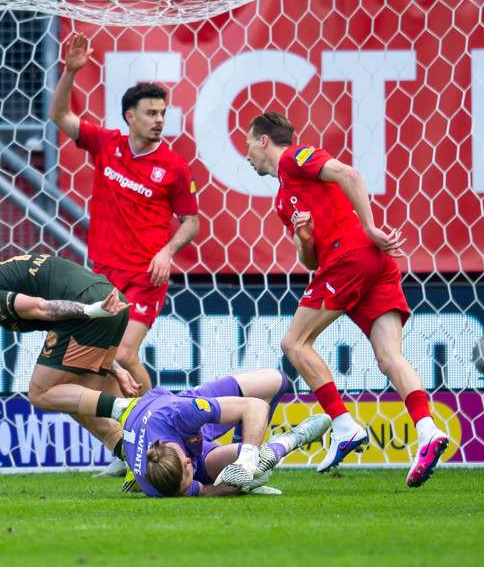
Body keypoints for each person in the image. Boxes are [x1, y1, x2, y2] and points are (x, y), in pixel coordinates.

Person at [243, 111, 449, 487]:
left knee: (294, 343)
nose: (247, 157)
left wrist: (370, 227)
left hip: (351, 256)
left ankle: (344, 425)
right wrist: (304, 239)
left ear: (263, 142)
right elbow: (310, 262)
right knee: (390, 357)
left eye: (248, 146)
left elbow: (349, 174)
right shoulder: (282, 200)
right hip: (368, 264)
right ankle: (428, 430)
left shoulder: (295, 158)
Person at [49, 34, 200, 400]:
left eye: (162, 113)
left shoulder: (175, 167)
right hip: (103, 274)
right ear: (130, 116)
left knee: (124, 354)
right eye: (151, 113)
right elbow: (59, 115)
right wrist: (70, 72)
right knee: (100, 362)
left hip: (145, 275)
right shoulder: (107, 144)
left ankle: (160, 429)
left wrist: (167, 251)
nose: (159, 120)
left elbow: (192, 221)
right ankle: (132, 439)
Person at [0, 254, 142, 458]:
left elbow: (42, 308)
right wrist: (117, 369)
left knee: (40, 393)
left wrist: (91, 310)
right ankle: (134, 456)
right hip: (107, 299)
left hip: (92, 306)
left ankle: (126, 409)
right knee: (74, 400)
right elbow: (52, 314)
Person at [122, 369, 332, 497]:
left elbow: (256, 406)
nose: (190, 488)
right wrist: (237, 487)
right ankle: (292, 439)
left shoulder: (182, 413)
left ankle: (246, 465)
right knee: (258, 462)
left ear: (187, 462)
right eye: (185, 489)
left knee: (278, 380)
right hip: (189, 442)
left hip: (185, 408)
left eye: (190, 481)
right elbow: (204, 491)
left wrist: (245, 464)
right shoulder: (161, 485)